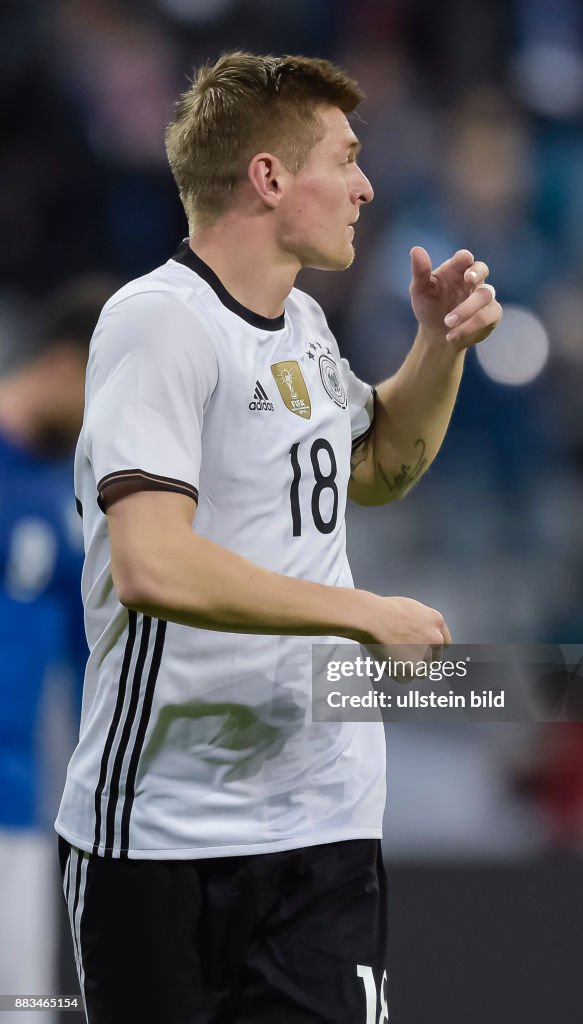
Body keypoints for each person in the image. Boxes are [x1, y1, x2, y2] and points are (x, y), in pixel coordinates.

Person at [54, 51, 502, 1024]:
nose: (364, 184)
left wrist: (438, 349)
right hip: (168, 835)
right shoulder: (158, 324)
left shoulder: (299, 324)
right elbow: (150, 561)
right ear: (267, 176)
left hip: (326, 821)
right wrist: (354, 612)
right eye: (343, 157)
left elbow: (374, 467)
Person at [0, 279, 114, 1022]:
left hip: (15, 811)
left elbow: (92, 667)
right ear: (65, 368)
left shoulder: (66, 497)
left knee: (24, 1008)